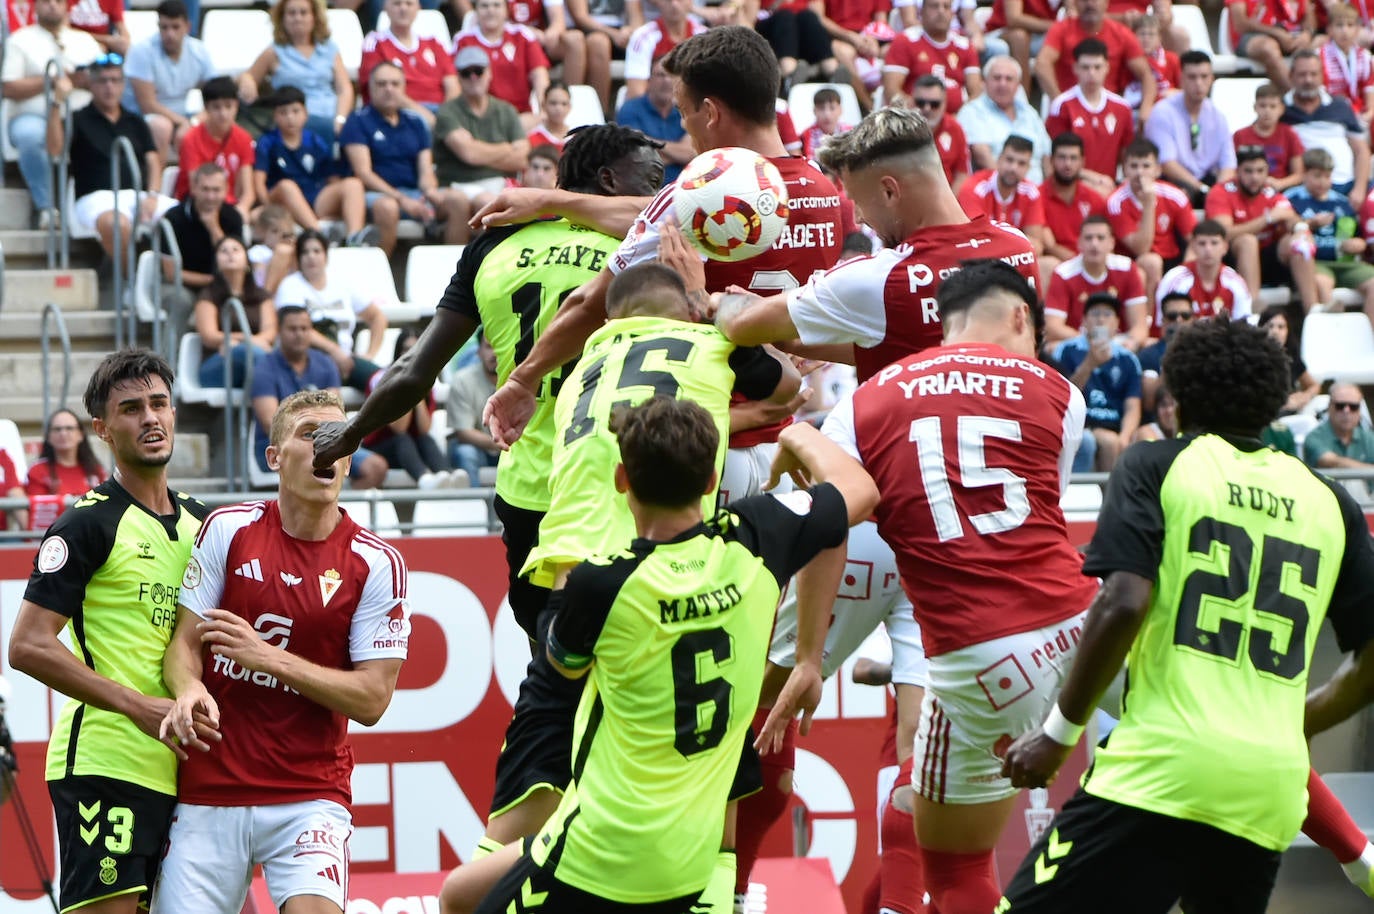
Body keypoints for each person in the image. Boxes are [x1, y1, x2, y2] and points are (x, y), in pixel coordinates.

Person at [437, 262, 804, 914]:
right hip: (657, 571)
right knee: (701, 775)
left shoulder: (583, 364)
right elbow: (791, 387)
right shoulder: (709, 341)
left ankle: (504, 878)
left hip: (571, 582)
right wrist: (714, 308)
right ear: (685, 310)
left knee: (532, 797)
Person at [998, 317, 1374, 914]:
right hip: (1268, 790)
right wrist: (1296, 721)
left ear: (1177, 392)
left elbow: (1123, 600)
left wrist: (1056, 736)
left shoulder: (1156, 466)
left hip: (1158, 775)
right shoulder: (1333, 502)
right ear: (1275, 398)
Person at [465, 395, 873, 914]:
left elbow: (563, 667)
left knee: (460, 897)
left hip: (601, 849)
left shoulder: (600, 582)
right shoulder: (755, 538)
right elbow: (859, 491)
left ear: (620, 480)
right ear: (710, 483)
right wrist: (796, 435)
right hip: (694, 857)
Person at [313, 122, 665, 646]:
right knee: (625, 656)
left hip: (527, 487)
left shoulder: (493, 248)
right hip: (616, 480)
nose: (664, 189)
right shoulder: (647, 242)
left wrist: (352, 430)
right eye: (653, 176)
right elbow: (680, 218)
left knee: (548, 656)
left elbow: (414, 370)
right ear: (610, 180)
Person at [817, 260, 1096, 914]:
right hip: (1077, 623)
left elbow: (837, 519)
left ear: (947, 322)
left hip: (974, 648)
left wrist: (809, 656)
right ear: (1023, 316)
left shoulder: (863, 402)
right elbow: (1034, 526)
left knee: (954, 860)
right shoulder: (1061, 393)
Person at [480, 26, 846, 494]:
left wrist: (525, 378)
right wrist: (556, 200)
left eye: (683, 112)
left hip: (700, 446)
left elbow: (591, 302)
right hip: (784, 448)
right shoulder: (823, 189)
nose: (681, 127)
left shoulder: (692, 197)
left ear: (710, 112)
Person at [153, 388, 410, 914]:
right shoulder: (228, 529)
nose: (328, 448)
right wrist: (188, 689)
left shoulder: (376, 562)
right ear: (274, 458)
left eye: (340, 437)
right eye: (311, 435)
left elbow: (371, 699)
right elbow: (184, 644)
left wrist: (266, 656)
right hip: (210, 790)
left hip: (309, 795)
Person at [7, 350, 213, 914]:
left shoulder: (206, 522)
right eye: (130, 409)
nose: (150, 418)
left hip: (191, 773)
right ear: (102, 429)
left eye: (159, 404)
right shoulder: (86, 522)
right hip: (107, 764)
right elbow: (26, 646)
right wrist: (138, 706)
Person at [713, 106, 1040, 387]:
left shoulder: (881, 277)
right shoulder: (1019, 248)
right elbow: (918, 346)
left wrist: (709, 297)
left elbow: (741, 325)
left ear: (888, 192)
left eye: (857, 200)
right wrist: (794, 339)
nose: (857, 217)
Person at [48, 54, 178, 262]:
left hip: (138, 195)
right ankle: (131, 280)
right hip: (96, 198)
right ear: (91, 84)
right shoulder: (78, 118)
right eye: (102, 81)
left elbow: (153, 161)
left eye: (115, 80)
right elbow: (55, 150)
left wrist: (153, 195)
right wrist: (56, 103)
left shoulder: (135, 121)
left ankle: (170, 278)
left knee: (182, 216)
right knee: (116, 224)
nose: (109, 87)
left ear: (123, 84)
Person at [250, 304, 389, 490]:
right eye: (292, 329)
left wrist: (316, 437)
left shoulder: (326, 363)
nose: (299, 334)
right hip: (280, 446)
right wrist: (308, 440)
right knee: (309, 469)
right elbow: (272, 424)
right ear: (279, 331)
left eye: (305, 328)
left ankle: (333, 513)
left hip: (326, 443)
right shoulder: (264, 368)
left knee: (376, 468)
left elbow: (335, 415)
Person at [2, 0, 102, 226]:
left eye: (58, 1)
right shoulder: (20, 40)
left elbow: (106, 81)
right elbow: (9, 88)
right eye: (46, 1)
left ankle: (95, 209)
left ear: (67, 6)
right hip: (34, 116)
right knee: (30, 136)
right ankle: (46, 207)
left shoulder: (85, 41)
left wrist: (84, 81)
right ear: (35, 6)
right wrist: (53, 80)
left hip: (79, 117)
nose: (52, 6)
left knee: (102, 133)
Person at [342, 61, 451, 256]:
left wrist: (430, 191)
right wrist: (402, 199)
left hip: (414, 192)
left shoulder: (416, 122)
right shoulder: (357, 120)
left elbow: (425, 168)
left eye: (394, 84)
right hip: (376, 193)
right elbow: (364, 174)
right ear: (370, 88)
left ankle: (456, 272)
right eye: (382, 84)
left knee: (456, 200)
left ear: (404, 88)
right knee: (388, 207)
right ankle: (380, 271)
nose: (389, 89)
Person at [254, 87, 376, 247]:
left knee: (353, 184)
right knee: (287, 186)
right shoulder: (267, 142)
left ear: (305, 113)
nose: (290, 117)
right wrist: (267, 209)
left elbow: (332, 178)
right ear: (275, 116)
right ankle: (320, 235)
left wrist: (337, 209)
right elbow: (258, 181)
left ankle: (354, 237)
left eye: (295, 111)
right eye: (283, 113)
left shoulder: (315, 141)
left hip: (315, 199)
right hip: (283, 204)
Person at [432, 45, 530, 243]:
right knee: (463, 201)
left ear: (489, 73)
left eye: (478, 71)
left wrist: (477, 150)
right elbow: (469, 154)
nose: (473, 77)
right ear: (458, 77)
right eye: (466, 73)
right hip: (455, 184)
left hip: (496, 183)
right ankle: (458, 267)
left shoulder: (506, 110)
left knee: (488, 201)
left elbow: (521, 159)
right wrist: (506, 149)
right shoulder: (447, 112)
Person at [273, 230, 390, 391]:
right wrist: (335, 351)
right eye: (305, 252)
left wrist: (369, 355)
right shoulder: (290, 285)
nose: (311, 256)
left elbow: (377, 317)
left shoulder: (342, 284)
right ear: (298, 259)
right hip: (308, 361)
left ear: (326, 256)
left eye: (316, 251)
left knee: (388, 385)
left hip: (347, 361)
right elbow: (294, 326)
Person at [1205, 144, 1309, 303]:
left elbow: (1289, 217)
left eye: (1260, 171)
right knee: (1248, 241)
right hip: (1232, 258)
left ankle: (1313, 308)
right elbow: (1222, 232)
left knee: (1299, 241)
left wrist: (1301, 229)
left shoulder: (1271, 191)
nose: (1255, 177)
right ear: (1237, 171)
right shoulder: (1221, 192)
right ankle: (1251, 307)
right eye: (1248, 171)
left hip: (1269, 258)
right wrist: (1266, 219)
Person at [239, 0, 353, 143]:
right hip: (293, 118)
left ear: (314, 17)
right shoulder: (274, 52)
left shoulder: (329, 49)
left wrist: (341, 118)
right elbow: (249, 76)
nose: (297, 18)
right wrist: (247, 81)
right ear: (283, 18)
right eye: (291, 13)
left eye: (303, 13)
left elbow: (344, 88)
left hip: (330, 114)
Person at [1054, 292, 1143, 471]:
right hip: (1080, 422)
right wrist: (1089, 364)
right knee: (1107, 441)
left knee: (1120, 441)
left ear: (1117, 323)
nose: (1101, 320)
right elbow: (1061, 396)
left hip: (1113, 425)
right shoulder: (1066, 350)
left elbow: (1133, 405)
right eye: (1095, 314)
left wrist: (1125, 437)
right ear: (1084, 321)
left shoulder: (1127, 359)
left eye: (1107, 314)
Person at [1107, 138, 1198, 306]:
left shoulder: (1174, 195)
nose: (1140, 173)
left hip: (1171, 259)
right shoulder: (1116, 202)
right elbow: (1141, 248)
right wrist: (1149, 204)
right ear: (1124, 169)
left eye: (1146, 166)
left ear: (1157, 170)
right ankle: (1150, 322)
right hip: (1132, 260)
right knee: (1150, 261)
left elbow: (1195, 239)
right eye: (1133, 166)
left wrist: (1184, 270)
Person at [1286, 146, 1374, 316]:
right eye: (1317, 176)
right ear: (1304, 173)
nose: (1322, 182)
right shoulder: (1293, 198)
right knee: (1322, 283)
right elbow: (1286, 232)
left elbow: (1359, 238)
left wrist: (1358, 244)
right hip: (1316, 262)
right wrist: (1310, 224)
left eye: (1327, 176)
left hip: (1345, 262)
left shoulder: (1342, 202)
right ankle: (1331, 333)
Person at [161, 164, 246, 341]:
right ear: (194, 188)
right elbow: (171, 274)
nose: (210, 196)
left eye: (216, 190)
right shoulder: (173, 218)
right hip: (182, 285)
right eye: (205, 189)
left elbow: (237, 263)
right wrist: (212, 281)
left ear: (226, 190)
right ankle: (167, 362)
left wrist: (214, 228)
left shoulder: (233, 217)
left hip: (223, 284)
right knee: (181, 301)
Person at [1143, 50, 1236, 208]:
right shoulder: (1162, 112)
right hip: (1175, 180)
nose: (1199, 83)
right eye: (1192, 77)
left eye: (1204, 77)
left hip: (1207, 179)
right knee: (1182, 196)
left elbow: (1228, 163)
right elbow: (1167, 163)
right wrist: (1202, 189)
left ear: (1212, 79)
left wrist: (1219, 191)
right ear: (1181, 79)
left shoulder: (1218, 116)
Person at [1044, 38, 1135, 198]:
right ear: (1075, 68)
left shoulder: (1122, 108)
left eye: (1097, 67)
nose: (1091, 73)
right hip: (1072, 185)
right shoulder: (1063, 105)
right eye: (1085, 67)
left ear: (1107, 67)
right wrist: (1092, 178)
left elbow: (1126, 154)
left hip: (1109, 186)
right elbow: (1056, 157)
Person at [123, 0, 212, 163]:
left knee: (217, 119)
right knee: (162, 126)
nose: (170, 34)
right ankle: (157, 183)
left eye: (175, 27)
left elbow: (216, 94)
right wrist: (184, 122)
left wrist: (194, 121)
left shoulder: (199, 51)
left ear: (187, 27)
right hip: (140, 117)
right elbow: (147, 105)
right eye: (164, 27)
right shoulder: (141, 51)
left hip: (182, 117)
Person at [1035, 0, 1154, 117]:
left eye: (1095, 0)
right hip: (1070, 111)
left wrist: (1146, 108)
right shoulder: (1061, 29)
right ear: (1076, 3)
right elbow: (1042, 64)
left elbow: (1146, 75)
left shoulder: (1121, 33)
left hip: (1110, 111)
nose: (1090, 4)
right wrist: (1059, 101)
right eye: (1084, 0)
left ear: (1107, 3)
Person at [1044, 215, 1148, 349]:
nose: (1094, 244)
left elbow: (1140, 326)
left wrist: (1129, 343)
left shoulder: (1127, 268)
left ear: (1112, 243)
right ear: (1079, 243)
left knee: (1147, 343)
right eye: (1088, 238)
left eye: (1100, 238)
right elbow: (1053, 327)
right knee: (1051, 348)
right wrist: (1090, 342)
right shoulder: (1063, 273)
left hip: (1119, 342)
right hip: (1078, 342)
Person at [1284, 49, 1370, 206]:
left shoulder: (1340, 105)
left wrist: (1359, 188)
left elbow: (1361, 150)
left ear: (1322, 75)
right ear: (1291, 76)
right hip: (1305, 192)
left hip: (1346, 186)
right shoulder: (1281, 110)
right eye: (1302, 74)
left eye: (1314, 74)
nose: (1308, 80)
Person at [194, 235, 277, 389]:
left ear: (247, 261)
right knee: (250, 353)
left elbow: (269, 333)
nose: (230, 254)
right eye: (223, 251)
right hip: (217, 363)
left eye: (235, 250)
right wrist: (246, 340)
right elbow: (209, 336)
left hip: (254, 359)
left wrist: (240, 342)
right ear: (217, 262)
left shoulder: (261, 296)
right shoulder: (208, 295)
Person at [451, 0, 550, 129]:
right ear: (475, 11)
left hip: (522, 116)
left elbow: (539, 76)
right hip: (481, 118)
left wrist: (543, 112)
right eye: (484, 6)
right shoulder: (463, 40)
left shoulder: (522, 35)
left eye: (497, 5)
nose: (490, 10)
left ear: (507, 10)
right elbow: (455, 80)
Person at [360, 0, 458, 123]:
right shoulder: (375, 43)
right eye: (397, 4)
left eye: (409, 3)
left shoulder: (433, 42)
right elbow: (380, 89)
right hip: (400, 113)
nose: (403, 8)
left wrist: (446, 118)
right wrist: (429, 119)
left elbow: (452, 85)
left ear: (418, 7)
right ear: (385, 8)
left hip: (441, 111)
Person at [956, 134, 1049, 260]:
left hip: (1013, 261)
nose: (1013, 168)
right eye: (1009, 160)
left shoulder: (1031, 193)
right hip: (979, 261)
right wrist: (1016, 246)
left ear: (1028, 168)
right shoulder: (975, 188)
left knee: (1048, 264)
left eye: (1021, 163)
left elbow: (1037, 245)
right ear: (999, 160)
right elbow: (974, 239)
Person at [957, 55, 1050, 181]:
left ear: (1018, 85)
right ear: (984, 82)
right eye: (997, 78)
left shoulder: (1029, 113)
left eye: (1009, 79)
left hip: (1037, 194)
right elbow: (982, 157)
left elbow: (1046, 157)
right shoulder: (972, 112)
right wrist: (1017, 192)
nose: (1002, 84)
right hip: (998, 189)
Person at [173, 76, 255, 216]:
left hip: (231, 206)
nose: (223, 114)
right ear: (206, 108)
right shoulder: (191, 139)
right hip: (197, 205)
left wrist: (242, 209)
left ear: (236, 106)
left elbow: (248, 192)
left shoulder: (244, 138)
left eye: (228, 106)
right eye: (216, 107)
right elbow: (196, 189)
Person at [882, 0, 982, 113]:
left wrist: (961, 117)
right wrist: (918, 114)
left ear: (953, 13)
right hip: (915, 119)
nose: (941, 11)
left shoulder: (965, 46)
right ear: (921, 12)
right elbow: (891, 91)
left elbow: (976, 93)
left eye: (946, 7)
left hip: (956, 120)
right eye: (934, 6)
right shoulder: (905, 41)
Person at [1154, 219, 1254, 325]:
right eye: (1202, 243)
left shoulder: (1235, 282)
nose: (1208, 249)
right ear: (1193, 246)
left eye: (1214, 243)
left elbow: (1244, 325)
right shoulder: (1175, 279)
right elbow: (1165, 326)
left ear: (1225, 247)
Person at [23, 409, 109, 532]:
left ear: (80, 434)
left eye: (69, 428)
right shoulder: (37, 471)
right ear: (48, 437)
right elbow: (38, 516)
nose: (63, 433)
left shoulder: (96, 471)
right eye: (57, 429)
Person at [615, 57, 694, 185]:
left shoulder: (685, 108)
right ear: (649, 80)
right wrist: (678, 154)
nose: (666, 81)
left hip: (683, 187)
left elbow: (691, 153)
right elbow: (635, 157)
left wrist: (647, 140)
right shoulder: (630, 109)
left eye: (671, 76)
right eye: (660, 75)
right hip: (642, 188)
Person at [1040, 131, 1108, 263]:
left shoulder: (1095, 199)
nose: (1067, 164)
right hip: (1057, 264)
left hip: (1091, 262)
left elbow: (1104, 240)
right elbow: (1049, 246)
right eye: (1062, 157)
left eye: (1073, 158)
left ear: (1083, 162)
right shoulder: (1037, 196)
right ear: (1051, 160)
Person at [446, 332, 501, 485]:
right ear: (479, 351)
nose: (494, 353)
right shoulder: (462, 380)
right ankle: (474, 506)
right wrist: (498, 444)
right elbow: (463, 433)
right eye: (489, 347)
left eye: (499, 346)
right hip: (478, 448)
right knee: (466, 452)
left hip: (510, 448)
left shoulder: (522, 378)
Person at [623, 0, 706, 99]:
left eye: (680, 0)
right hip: (654, 109)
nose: (674, 4)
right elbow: (636, 93)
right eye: (668, 0)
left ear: (690, 2)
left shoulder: (705, 38)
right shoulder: (642, 38)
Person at [1234, 81, 1304, 193]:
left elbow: (1299, 174)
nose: (1267, 111)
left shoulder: (1289, 134)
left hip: (1280, 191)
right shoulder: (1240, 136)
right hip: (1247, 191)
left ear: (1281, 109)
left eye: (1272, 106)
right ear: (1255, 107)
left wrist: (1280, 183)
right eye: (1263, 106)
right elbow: (1232, 170)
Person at [1228, 0, 1315, 89]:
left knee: (1316, 45)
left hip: (1291, 35)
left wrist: (1307, 34)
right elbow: (1241, 24)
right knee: (1268, 48)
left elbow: (1308, 17)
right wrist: (1276, 33)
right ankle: (1293, 96)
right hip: (1251, 36)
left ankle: (1313, 94)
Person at [909, 74, 970, 192]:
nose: (927, 109)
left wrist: (950, 206)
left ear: (945, 103)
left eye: (934, 104)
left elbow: (962, 175)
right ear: (911, 101)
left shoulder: (955, 129)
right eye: (920, 103)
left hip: (945, 198)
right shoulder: (897, 130)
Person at [1258, 305, 1320, 415]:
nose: (1275, 331)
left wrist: (1304, 397)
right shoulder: (1252, 358)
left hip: (1288, 414)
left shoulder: (1292, 357)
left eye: (1281, 327)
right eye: (1270, 326)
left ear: (1288, 331)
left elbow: (1314, 385)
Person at [1320, 3, 1374, 127]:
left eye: (1350, 25)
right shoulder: (1320, 56)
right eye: (1339, 25)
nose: (1345, 31)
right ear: (1329, 29)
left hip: (1361, 113)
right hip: (1332, 114)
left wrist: (1369, 113)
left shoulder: (1365, 57)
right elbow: (1322, 94)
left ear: (1357, 29)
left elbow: (1369, 90)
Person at [1304, 382, 1374, 470]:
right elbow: (1331, 462)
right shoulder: (1314, 437)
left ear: (1360, 410)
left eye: (1353, 407)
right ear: (1329, 407)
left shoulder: (1369, 438)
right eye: (1340, 406)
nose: (1346, 411)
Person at [1125, 13, 1178, 110]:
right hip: (1135, 109)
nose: (1146, 39)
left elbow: (1184, 90)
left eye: (1151, 34)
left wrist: (1173, 92)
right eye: (1142, 34)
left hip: (1168, 108)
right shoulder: (1128, 61)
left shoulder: (1172, 59)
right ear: (1132, 36)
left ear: (1159, 38)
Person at [799, 86, 852, 161]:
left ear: (840, 110)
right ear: (814, 111)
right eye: (821, 108)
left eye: (832, 108)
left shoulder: (851, 133)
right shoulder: (805, 137)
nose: (827, 114)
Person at [527, 81, 571, 151]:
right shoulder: (533, 138)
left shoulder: (577, 138)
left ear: (570, 107)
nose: (558, 108)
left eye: (564, 104)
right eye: (553, 103)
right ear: (543, 105)